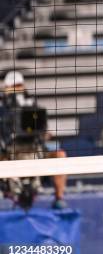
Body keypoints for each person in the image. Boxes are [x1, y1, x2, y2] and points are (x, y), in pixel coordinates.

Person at [2, 71, 68, 209]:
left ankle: (59, 199)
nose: (16, 88)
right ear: (6, 87)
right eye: (13, 85)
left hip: (35, 153)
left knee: (60, 155)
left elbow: (43, 131)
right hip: (8, 154)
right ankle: (7, 190)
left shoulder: (33, 106)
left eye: (19, 85)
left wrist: (43, 133)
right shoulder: (2, 108)